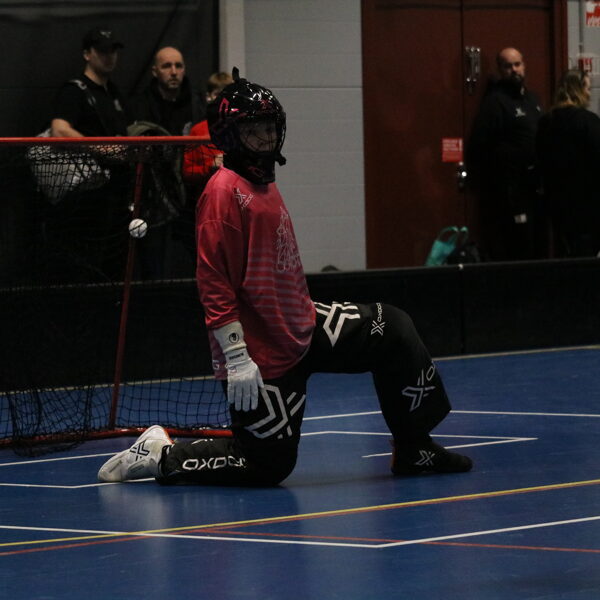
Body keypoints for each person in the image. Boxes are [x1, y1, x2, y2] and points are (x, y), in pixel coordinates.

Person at [98, 70, 473, 486]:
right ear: (231, 135)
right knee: (267, 465)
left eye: (270, 128)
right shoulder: (223, 194)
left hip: (302, 326)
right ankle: (162, 454)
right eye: (254, 130)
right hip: (261, 352)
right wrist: (237, 357)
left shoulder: (260, 182)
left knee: (394, 329)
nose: (266, 139)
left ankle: (415, 448)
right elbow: (214, 284)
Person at [47, 27, 132, 282]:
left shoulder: (114, 93)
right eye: (103, 51)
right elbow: (59, 130)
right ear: (87, 54)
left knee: (113, 262)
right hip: (85, 198)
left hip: (116, 195)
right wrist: (102, 148)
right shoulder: (74, 91)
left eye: (113, 50)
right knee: (84, 263)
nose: (109, 56)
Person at [466, 47, 543, 261]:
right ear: (500, 69)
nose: (514, 70)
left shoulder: (532, 100)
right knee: (516, 245)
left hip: (534, 187)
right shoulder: (495, 103)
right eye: (508, 66)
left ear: (524, 66)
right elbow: (478, 145)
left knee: (536, 244)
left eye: (517, 64)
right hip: (510, 190)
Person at [536, 69, 600, 257]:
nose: (589, 93)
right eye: (587, 88)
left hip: (556, 204)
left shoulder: (546, 122)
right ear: (578, 89)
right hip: (586, 205)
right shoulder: (588, 121)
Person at [130, 46, 202, 136]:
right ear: (155, 72)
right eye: (167, 66)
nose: (174, 72)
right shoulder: (140, 106)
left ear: (184, 70)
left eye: (178, 66)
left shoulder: (198, 105)